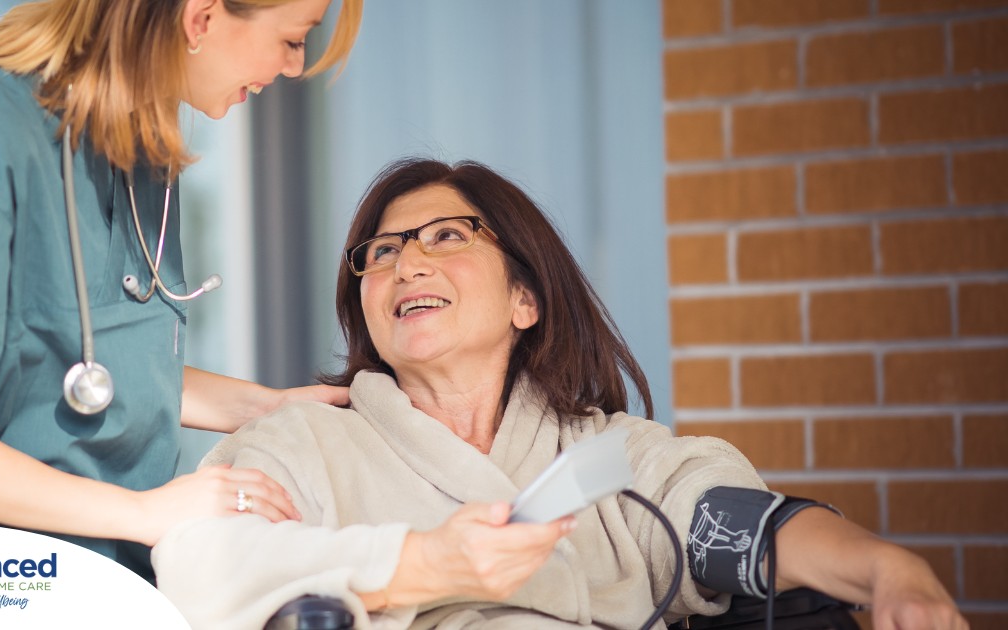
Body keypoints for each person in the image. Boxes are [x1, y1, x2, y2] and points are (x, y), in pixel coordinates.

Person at [152, 158, 967, 629]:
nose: (407, 264)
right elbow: (201, 563)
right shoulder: (306, 442)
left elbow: (730, 520)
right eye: (383, 251)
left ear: (525, 299)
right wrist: (420, 565)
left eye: (446, 237)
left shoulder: (602, 453)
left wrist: (889, 572)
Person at [0, 0, 360, 582]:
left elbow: (91, 369)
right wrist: (150, 511)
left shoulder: (136, 150)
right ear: (202, 19)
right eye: (293, 39)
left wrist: (264, 408)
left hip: (105, 582)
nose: (294, 66)